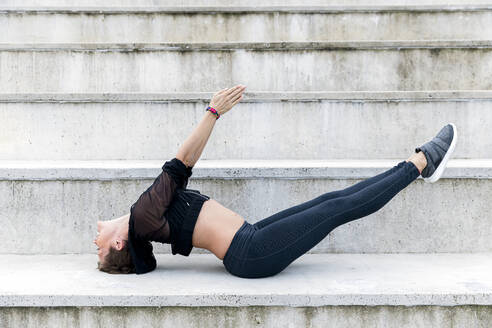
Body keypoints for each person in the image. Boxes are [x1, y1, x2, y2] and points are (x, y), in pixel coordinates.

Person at [94, 84, 458, 278]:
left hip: (251, 238)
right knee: (337, 208)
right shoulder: (141, 218)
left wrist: (215, 115)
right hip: (251, 253)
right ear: (120, 244)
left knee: (330, 201)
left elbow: (184, 169)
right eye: (99, 248)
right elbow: (181, 163)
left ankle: (418, 163)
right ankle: (423, 161)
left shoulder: (145, 220)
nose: (95, 240)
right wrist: (213, 112)